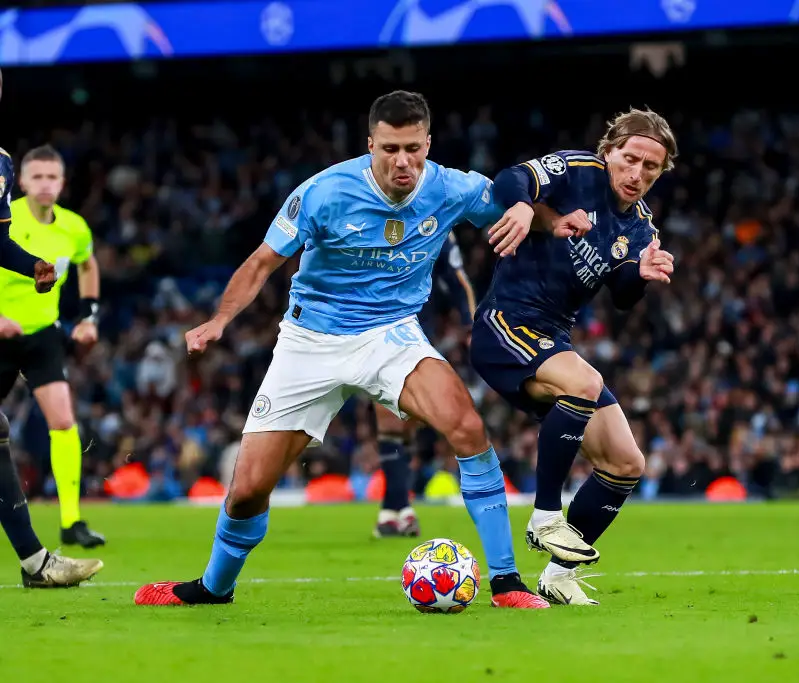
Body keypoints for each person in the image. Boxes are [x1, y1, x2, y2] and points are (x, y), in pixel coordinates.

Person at [134, 90, 552, 608]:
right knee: (246, 491)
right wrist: (220, 320)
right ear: (370, 144)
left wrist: (541, 216)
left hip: (391, 333)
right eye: (391, 149)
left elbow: (517, 204)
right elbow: (263, 262)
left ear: (428, 142)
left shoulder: (450, 187)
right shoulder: (324, 192)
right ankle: (213, 587)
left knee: (466, 425)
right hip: (310, 341)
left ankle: (507, 582)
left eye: (414, 149)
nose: (404, 161)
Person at [472, 108, 677, 605]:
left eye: (651, 167)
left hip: (552, 340)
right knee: (583, 382)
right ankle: (545, 516)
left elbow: (622, 294)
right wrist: (523, 207)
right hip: (506, 322)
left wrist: (641, 275)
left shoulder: (642, 228)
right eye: (630, 159)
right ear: (610, 151)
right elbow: (511, 179)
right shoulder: (578, 170)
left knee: (626, 462)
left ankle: (560, 575)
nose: (638, 174)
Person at [0, 66, 104, 587]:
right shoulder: (9, 203)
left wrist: (85, 315)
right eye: (36, 176)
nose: (44, 184)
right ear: (25, 181)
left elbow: (86, 266)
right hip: (1, 331)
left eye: (52, 177)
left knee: (59, 422)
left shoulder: (72, 226)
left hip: (40, 335)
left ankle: (66, 524)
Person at [373, 231, 476, 538]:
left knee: (406, 421)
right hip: (372, 327)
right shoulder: (371, 213)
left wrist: (471, 324)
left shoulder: (436, 221)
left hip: (417, 333)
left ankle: (394, 507)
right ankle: (398, 507)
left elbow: (457, 277)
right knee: (388, 414)